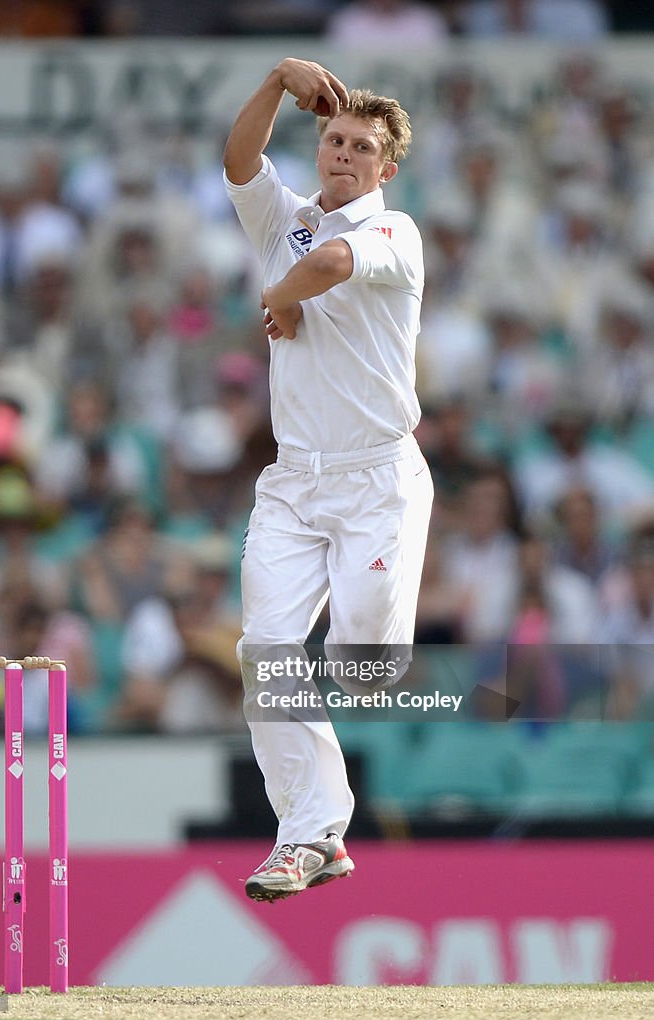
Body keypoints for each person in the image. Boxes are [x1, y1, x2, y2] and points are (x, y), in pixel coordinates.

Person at [223, 58, 433, 901]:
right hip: (293, 483)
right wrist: (277, 81)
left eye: (362, 147)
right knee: (263, 656)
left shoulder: (396, 231)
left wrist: (279, 294)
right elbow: (239, 161)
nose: (343, 154)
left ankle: (320, 823)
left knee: (363, 674)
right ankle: (312, 834)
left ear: (387, 167)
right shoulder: (286, 216)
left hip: (378, 480)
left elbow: (334, 266)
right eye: (335, 140)